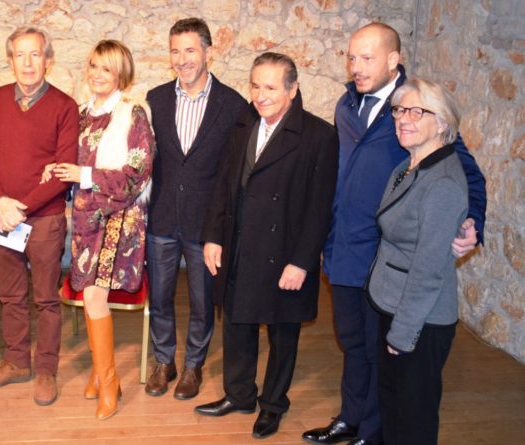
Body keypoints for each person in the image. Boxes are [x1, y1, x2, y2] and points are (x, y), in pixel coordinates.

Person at [303, 22, 487, 445]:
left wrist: (472, 221)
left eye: (367, 58)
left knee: (380, 352)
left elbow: (467, 176)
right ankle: (350, 418)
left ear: (393, 59)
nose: (356, 66)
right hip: (345, 249)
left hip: (384, 257)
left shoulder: (418, 110)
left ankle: (372, 431)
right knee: (352, 343)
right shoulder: (346, 105)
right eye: (352, 57)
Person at [194, 52, 339, 439]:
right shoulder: (243, 125)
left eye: (271, 87)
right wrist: (213, 235)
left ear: (293, 89)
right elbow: (223, 185)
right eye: (255, 86)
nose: (260, 95)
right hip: (239, 243)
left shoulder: (319, 136)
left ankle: (273, 405)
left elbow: (319, 207)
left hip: (284, 254)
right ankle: (239, 395)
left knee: (282, 333)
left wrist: (302, 262)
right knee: (237, 322)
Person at [42, 39, 154, 420]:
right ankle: (98, 372)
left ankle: (109, 382)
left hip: (119, 218)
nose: (97, 74)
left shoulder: (133, 115)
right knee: (92, 298)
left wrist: (84, 174)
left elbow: (137, 174)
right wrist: (55, 169)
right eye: (93, 66)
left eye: (106, 68)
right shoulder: (79, 114)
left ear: (121, 74)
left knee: (92, 296)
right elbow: (66, 161)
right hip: (85, 220)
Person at [0, 27, 79, 406]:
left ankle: (46, 368)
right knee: (10, 295)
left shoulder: (65, 106)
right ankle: (17, 362)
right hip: (3, 216)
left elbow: (64, 170)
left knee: (46, 298)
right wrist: (1, 201)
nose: (28, 62)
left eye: (36, 54)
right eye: (21, 55)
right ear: (11, 60)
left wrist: (20, 208)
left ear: (47, 60)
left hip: (44, 219)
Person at [144, 17, 247, 400]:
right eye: (175, 51)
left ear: (207, 52)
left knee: (203, 302)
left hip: (206, 224)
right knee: (160, 297)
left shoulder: (233, 105)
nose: (182, 59)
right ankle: (164, 361)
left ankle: (193, 366)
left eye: (190, 50)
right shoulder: (155, 99)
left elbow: (232, 173)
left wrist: (221, 226)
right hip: (162, 217)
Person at [368, 78, 468, 445]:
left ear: (441, 122)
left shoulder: (442, 183)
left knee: (413, 420)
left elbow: (427, 271)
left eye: (416, 112)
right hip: (395, 303)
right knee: (394, 408)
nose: (403, 119)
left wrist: (403, 333)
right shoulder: (408, 167)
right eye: (399, 111)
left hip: (420, 321)